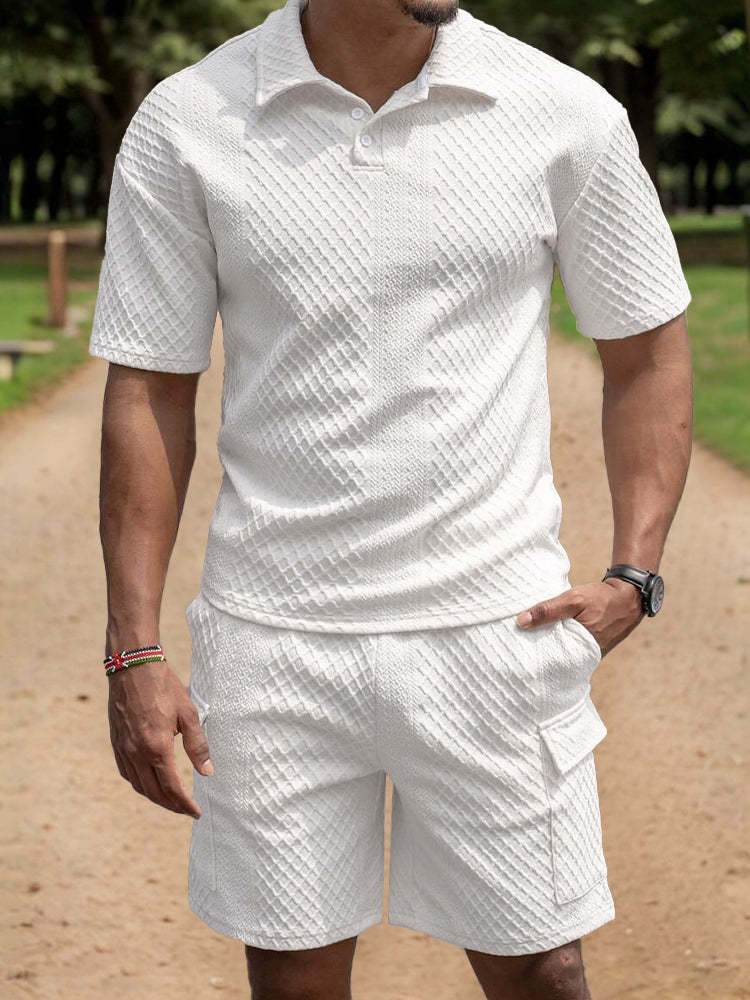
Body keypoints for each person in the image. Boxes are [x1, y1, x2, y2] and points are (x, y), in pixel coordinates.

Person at [88, 0, 693, 996]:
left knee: (543, 974)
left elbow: (647, 353)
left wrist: (636, 571)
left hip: (495, 629)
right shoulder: (189, 117)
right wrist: (133, 650)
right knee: (295, 980)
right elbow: (149, 386)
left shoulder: (563, 110)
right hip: (274, 637)